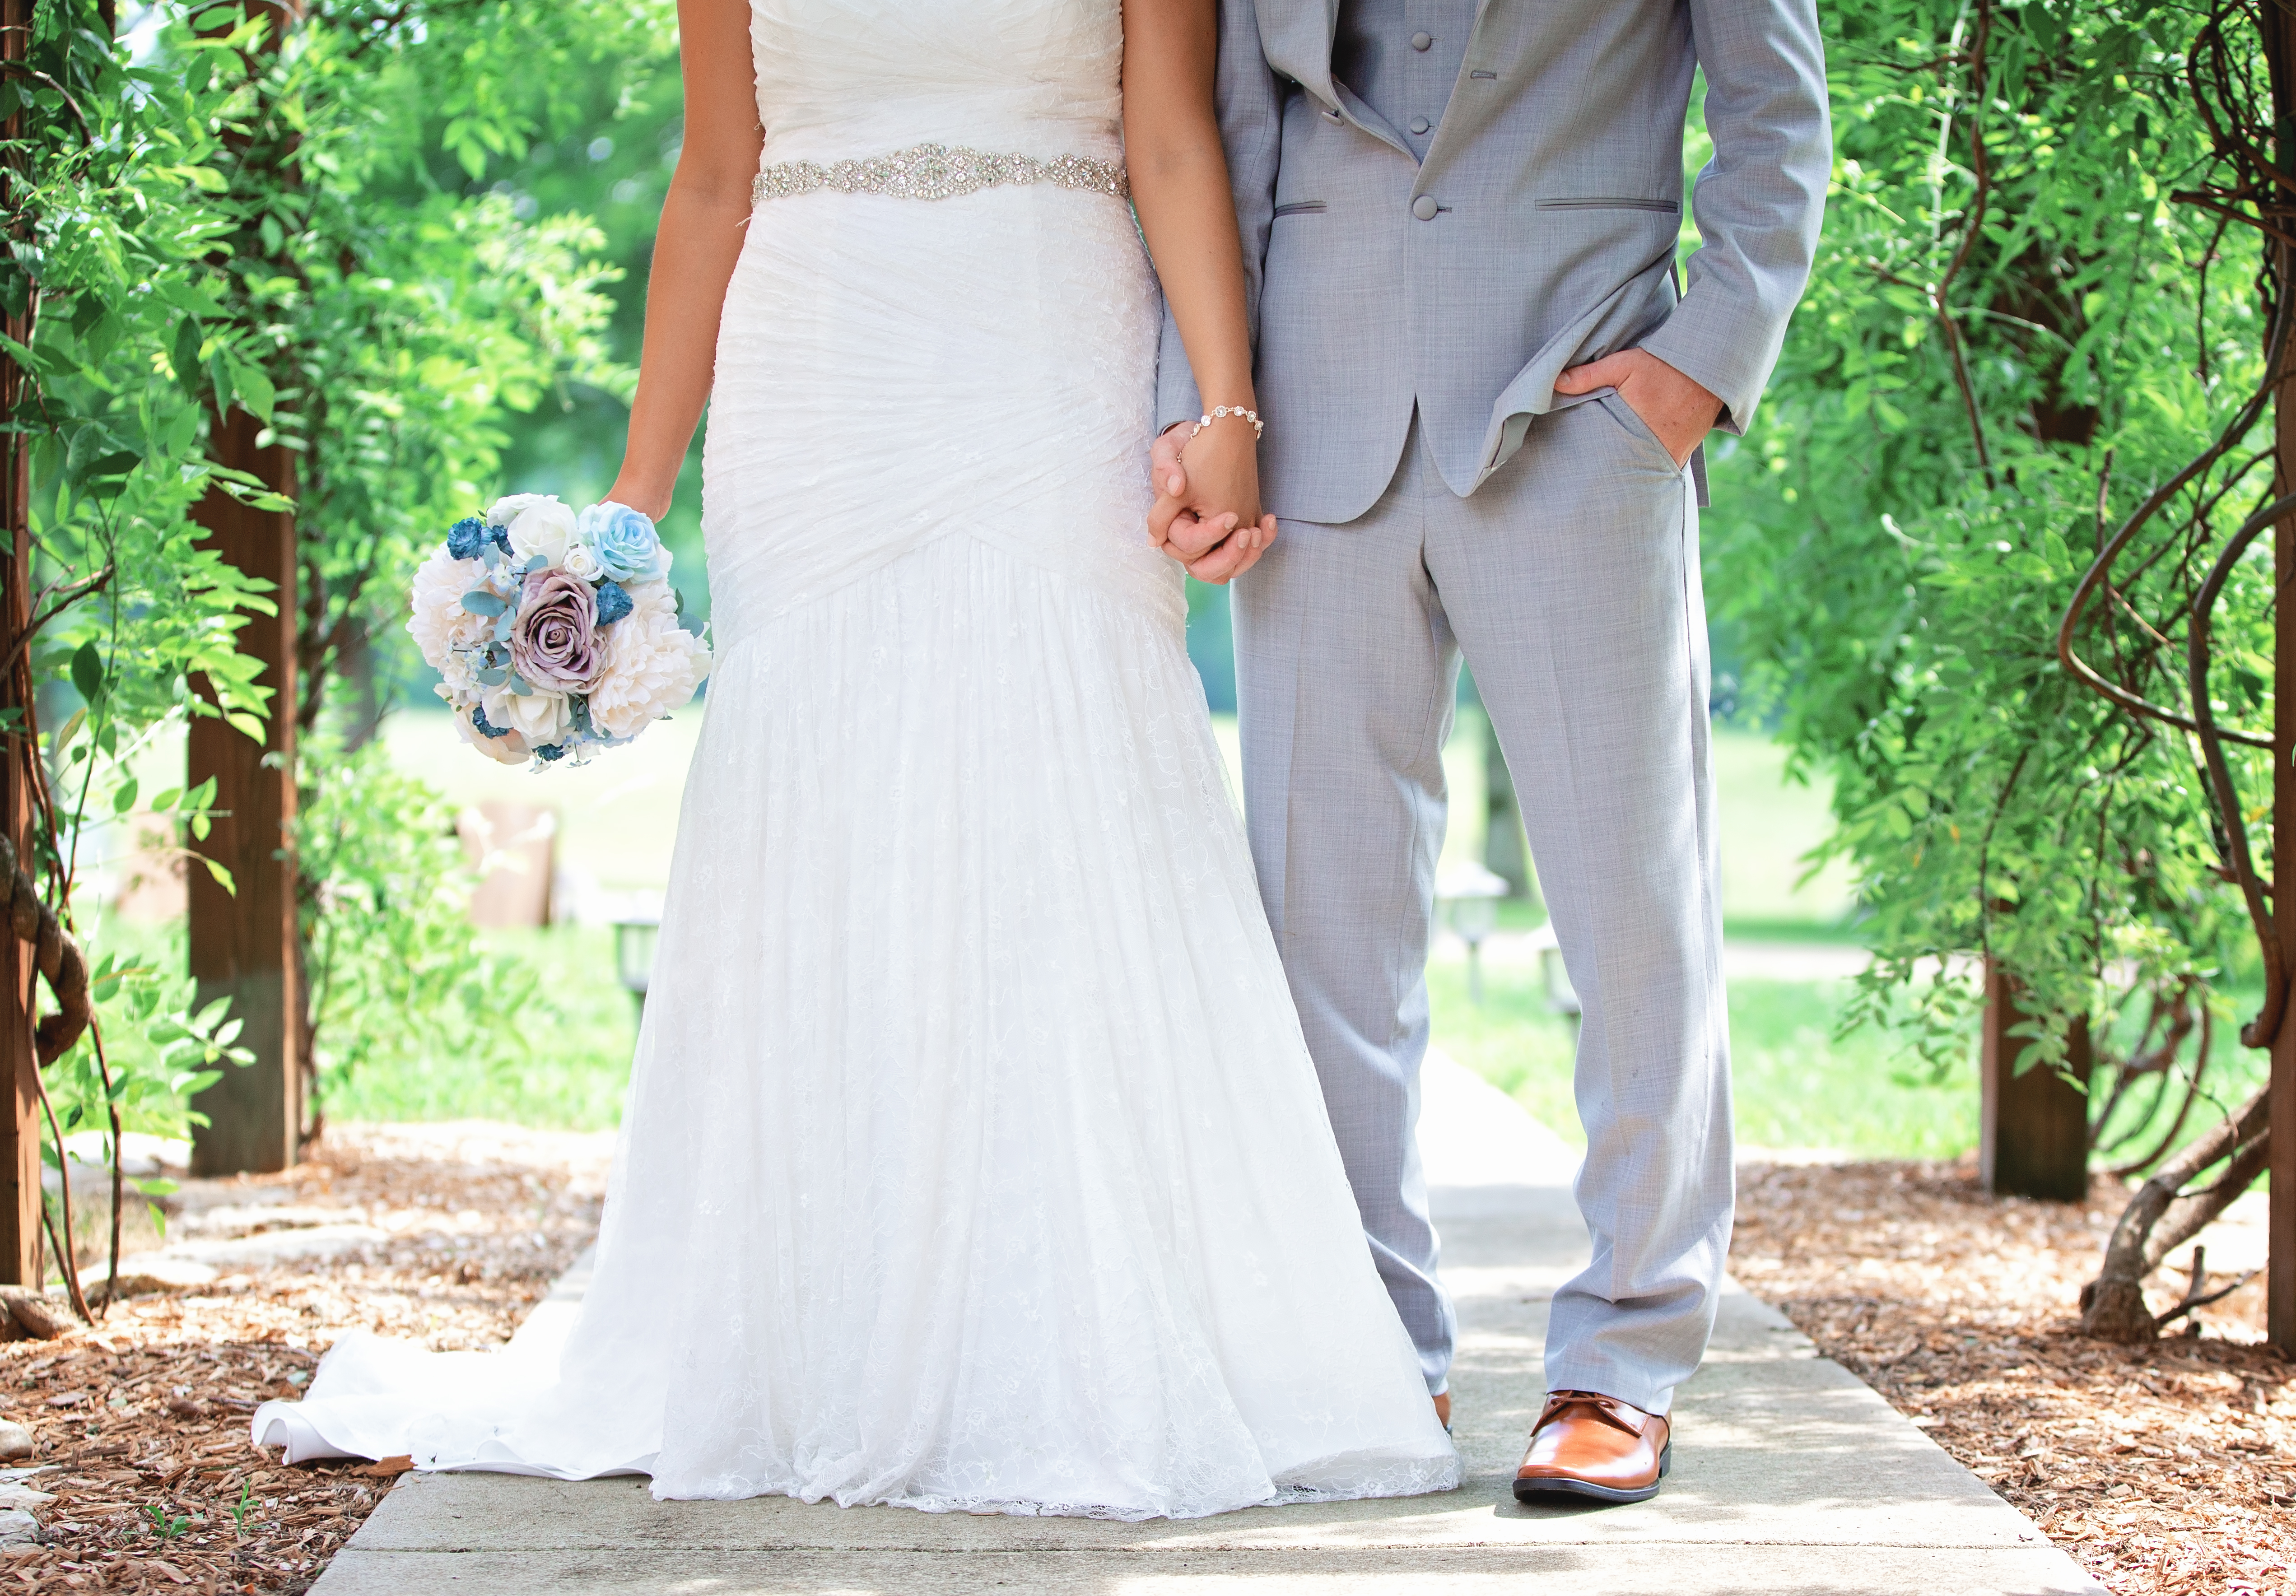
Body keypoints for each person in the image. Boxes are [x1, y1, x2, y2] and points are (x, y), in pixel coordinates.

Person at [253, 0, 1459, 1519]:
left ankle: (1075, 1328)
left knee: (1069, 768)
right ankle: (813, 1335)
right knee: (818, 788)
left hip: (1053, 343)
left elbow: (1169, 137)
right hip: (817, 359)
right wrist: (633, 495)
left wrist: (1225, 408)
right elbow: (710, 175)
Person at [1146, 0, 1831, 1505]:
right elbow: (1227, 131)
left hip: (1580, 412)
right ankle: (1373, 1346)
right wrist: (1200, 409)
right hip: (1313, 433)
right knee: (1324, 931)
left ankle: (1624, 1355)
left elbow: (1778, 119)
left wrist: (1699, 366)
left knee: (1630, 909)